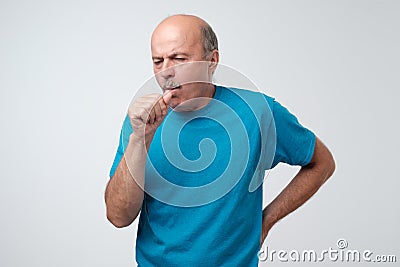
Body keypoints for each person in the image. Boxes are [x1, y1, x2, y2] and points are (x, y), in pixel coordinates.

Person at [105, 14, 335, 266]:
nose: (166, 73)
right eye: (158, 61)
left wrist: (267, 220)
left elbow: (321, 163)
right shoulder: (141, 120)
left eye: (179, 59)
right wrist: (140, 138)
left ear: (211, 60)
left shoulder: (258, 112)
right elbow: (118, 217)